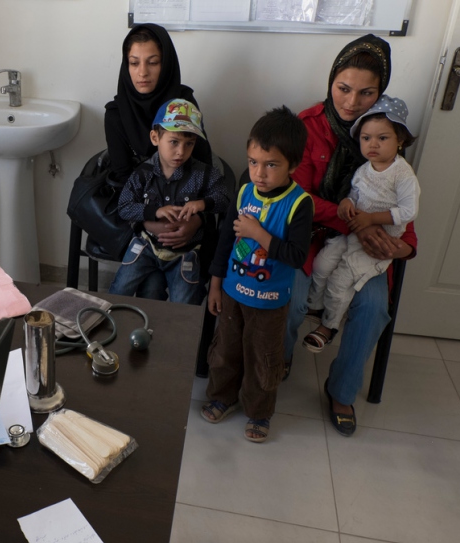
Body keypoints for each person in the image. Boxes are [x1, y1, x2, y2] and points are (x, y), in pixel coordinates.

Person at [284, 34, 418, 437]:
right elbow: (299, 199)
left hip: (367, 246)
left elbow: (404, 203)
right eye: (343, 88)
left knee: (375, 307)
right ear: (330, 81)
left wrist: (404, 246)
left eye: (366, 93)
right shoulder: (307, 127)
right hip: (310, 236)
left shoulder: (385, 132)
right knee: (289, 296)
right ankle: (279, 362)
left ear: (381, 92)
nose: (351, 102)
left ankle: (341, 390)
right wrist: (359, 222)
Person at [200, 106, 312, 443]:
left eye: (271, 164)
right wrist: (216, 285)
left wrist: (257, 233)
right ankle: (222, 396)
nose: (259, 173)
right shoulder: (245, 190)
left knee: (263, 359)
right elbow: (225, 242)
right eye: (253, 162)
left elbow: (296, 256)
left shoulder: (299, 204)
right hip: (233, 293)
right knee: (225, 350)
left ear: (292, 165)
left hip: (270, 301)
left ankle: (260, 412)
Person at [104, 23, 214, 299]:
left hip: (185, 216)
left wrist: (196, 222)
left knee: (174, 290)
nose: (142, 73)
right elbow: (123, 180)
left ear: (165, 65)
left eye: (152, 63)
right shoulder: (117, 114)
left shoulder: (183, 104)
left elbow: (204, 167)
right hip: (139, 219)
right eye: (134, 63)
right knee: (151, 289)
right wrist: (149, 221)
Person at [305, 96, 419, 352]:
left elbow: (409, 211)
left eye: (382, 138)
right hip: (350, 232)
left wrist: (371, 219)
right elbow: (355, 194)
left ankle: (328, 326)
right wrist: (346, 202)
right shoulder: (363, 169)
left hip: (375, 245)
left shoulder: (403, 174)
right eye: (366, 138)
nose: (373, 144)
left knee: (339, 281)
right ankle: (315, 307)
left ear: (399, 140)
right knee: (322, 265)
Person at [108, 99, 227, 304]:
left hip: (186, 254)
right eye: (174, 142)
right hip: (146, 247)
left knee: (184, 307)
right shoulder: (143, 173)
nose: (181, 151)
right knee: (119, 291)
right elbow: (124, 207)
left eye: (189, 144)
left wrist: (202, 205)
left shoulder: (204, 174)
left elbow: (224, 199)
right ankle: (108, 328)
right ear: (155, 137)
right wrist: (154, 211)